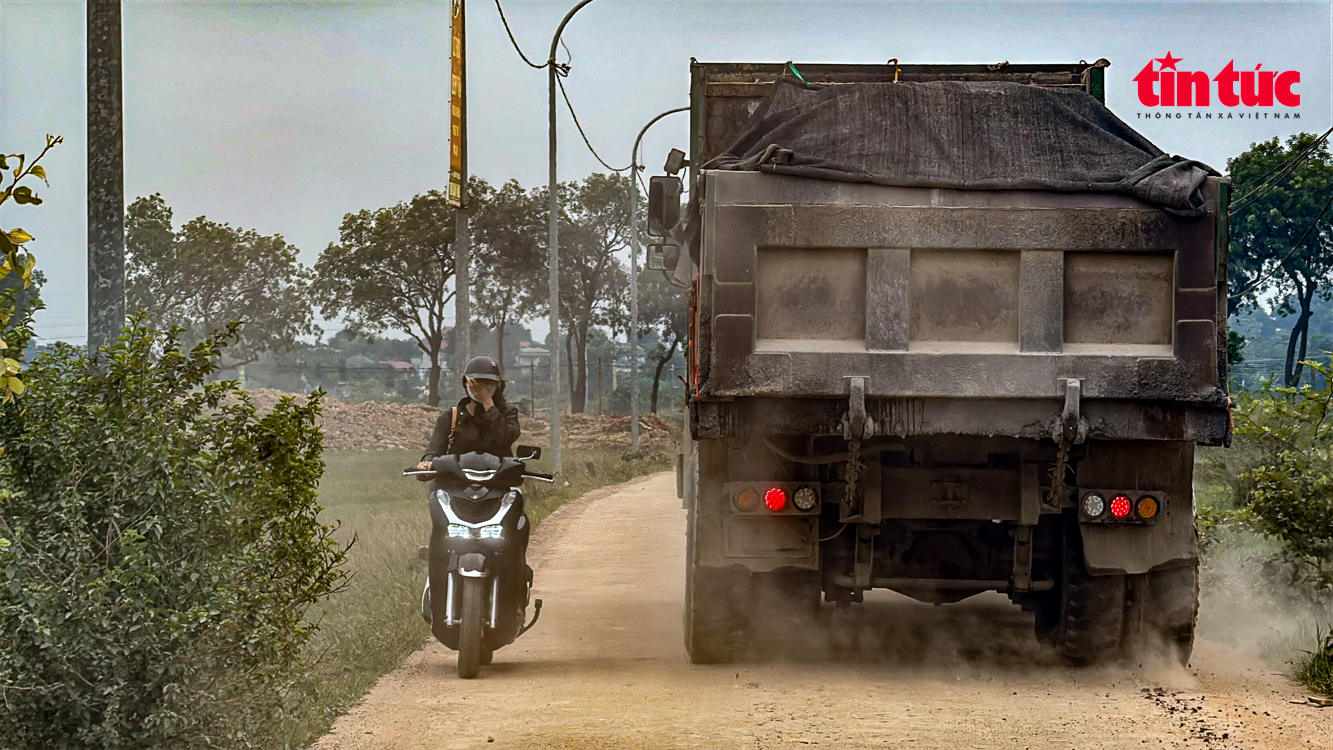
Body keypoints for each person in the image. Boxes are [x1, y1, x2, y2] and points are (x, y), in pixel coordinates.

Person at [417, 356, 521, 469]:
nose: (481, 388)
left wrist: (488, 403)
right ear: (465, 383)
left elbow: (506, 437)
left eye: (488, 383)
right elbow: (435, 448)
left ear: (498, 385)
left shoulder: (508, 413)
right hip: (456, 482)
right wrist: (427, 462)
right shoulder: (452, 416)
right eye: (476, 382)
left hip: (496, 481)